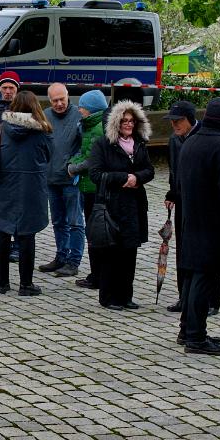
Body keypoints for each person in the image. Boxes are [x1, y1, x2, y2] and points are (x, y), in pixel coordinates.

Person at [174, 98, 220, 355]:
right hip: (214, 225)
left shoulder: (191, 142)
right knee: (204, 279)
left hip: (192, 219)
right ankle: (196, 336)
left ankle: (188, 329)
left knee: (193, 277)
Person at [79, 100, 153, 311]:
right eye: (124, 121)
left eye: (131, 121)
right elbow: (95, 174)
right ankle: (108, 296)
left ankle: (125, 295)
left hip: (134, 205)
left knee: (130, 252)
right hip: (112, 203)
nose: (128, 125)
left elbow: (149, 170)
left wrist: (137, 178)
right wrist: (123, 177)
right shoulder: (102, 144)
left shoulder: (139, 143)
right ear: (116, 123)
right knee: (112, 253)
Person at [0, 91, 52, 295]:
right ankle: (26, 284)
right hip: (31, 187)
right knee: (27, 235)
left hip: (5, 185)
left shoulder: (3, 127)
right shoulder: (41, 131)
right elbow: (48, 155)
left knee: (2, 232)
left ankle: (2, 283)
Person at [39, 83, 84, 278]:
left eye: (62, 99)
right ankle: (61, 256)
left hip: (71, 179)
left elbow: (86, 146)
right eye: (55, 101)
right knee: (58, 221)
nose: (59, 104)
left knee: (75, 222)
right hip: (51, 178)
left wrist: (74, 166)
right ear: (49, 100)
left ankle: (74, 261)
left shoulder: (79, 116)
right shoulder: (45, 115)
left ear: (68, 96)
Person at [66, 90, 110, 291]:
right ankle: (98, 274)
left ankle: (98, 275)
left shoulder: (97, 129)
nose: (79, 110)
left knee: (95, 233)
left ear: (91, 109)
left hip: (94, 188)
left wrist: (73, 167)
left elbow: (92, 159)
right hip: (89, 186)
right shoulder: (91, 126)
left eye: (82, 107)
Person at [162, 99, 198, 313]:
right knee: (182, 249)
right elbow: (174, 170)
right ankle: (183, 295)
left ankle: (210, 299)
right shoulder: (174, 140)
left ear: (190, 120)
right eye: (172, 121)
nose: (175, 125)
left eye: (179, 120)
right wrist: (172, 192)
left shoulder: (199, 137)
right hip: (181, 200)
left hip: (199, 203)